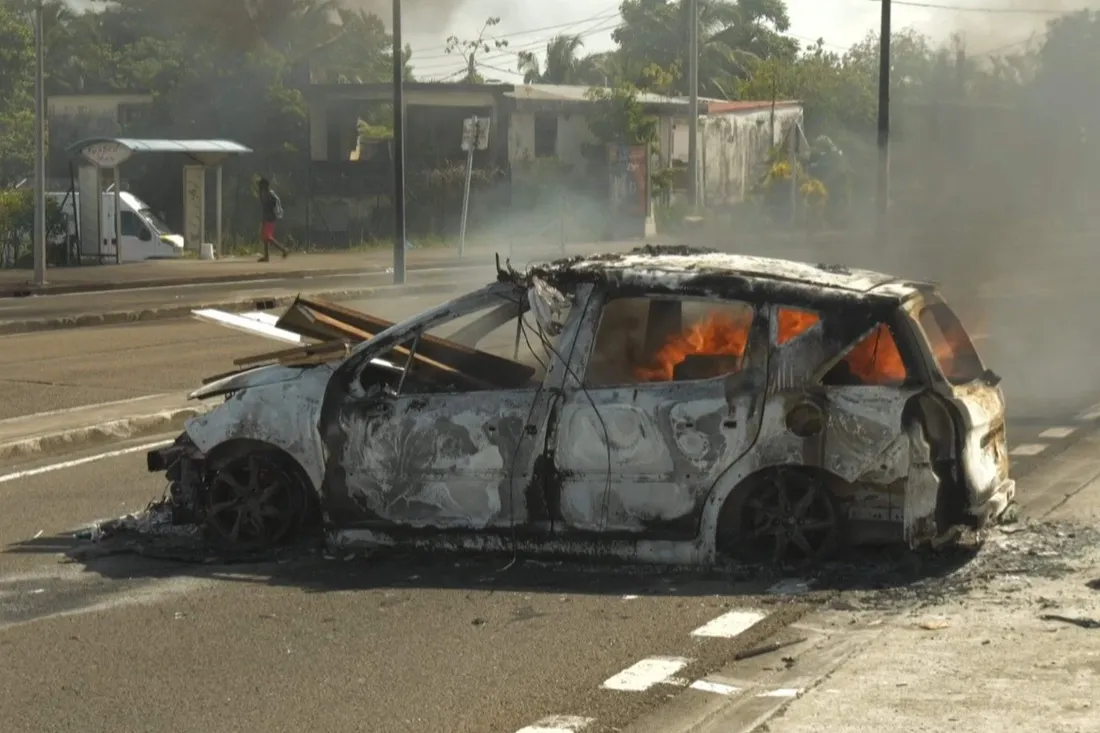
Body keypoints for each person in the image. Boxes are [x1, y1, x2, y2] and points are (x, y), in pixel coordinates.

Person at [257, 177, 288, 261]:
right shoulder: (264, 194)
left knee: (267, 237)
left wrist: (268, 215)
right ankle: (266, 256)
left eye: (260, 185)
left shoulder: (269, 195)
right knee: (265, 238)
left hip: (270, 218)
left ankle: (283, 249)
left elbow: (270, 206)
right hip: (267, 217)